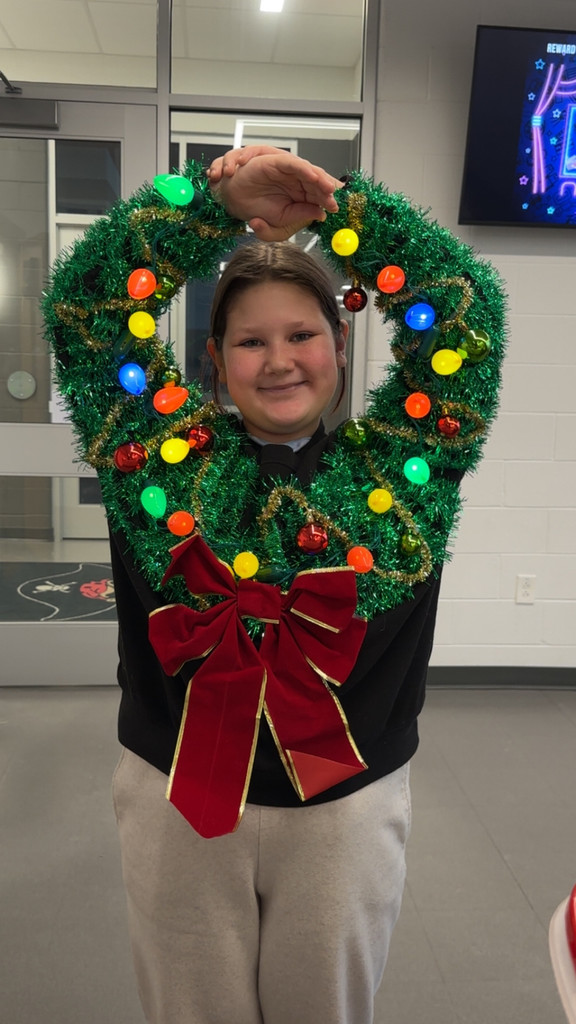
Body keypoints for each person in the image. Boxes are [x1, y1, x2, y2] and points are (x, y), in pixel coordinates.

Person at [42, 146, 506, 1024]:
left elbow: (460, 319)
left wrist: (343, 214)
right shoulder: (158, 458)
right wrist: (209, 206)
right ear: (215, 362)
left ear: (341, 343)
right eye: (251, 341)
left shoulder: (406, 471)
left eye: (303, 335)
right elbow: (87, 315)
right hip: (179, 799)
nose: (279, 360)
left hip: (345, 812)